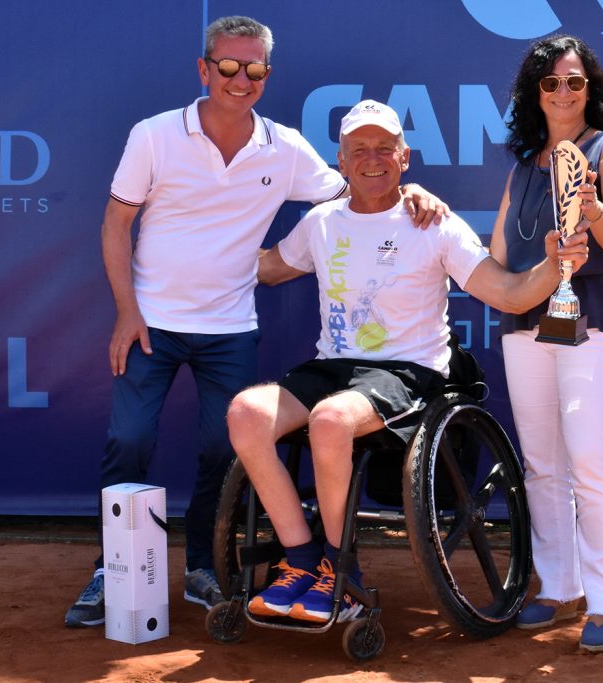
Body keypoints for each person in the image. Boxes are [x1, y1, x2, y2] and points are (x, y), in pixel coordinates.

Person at [65, 16, 447, 628]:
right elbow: (116, 226)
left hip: (230, 329)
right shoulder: (155, 136)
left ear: (267, 76)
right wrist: (127, 312)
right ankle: (110, 571)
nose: (240, 80)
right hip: (151, 324)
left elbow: (361, 184)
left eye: (254, 70)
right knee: (129, 442)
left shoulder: (286, 147)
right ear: (204, 69)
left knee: (224, 448)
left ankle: (201, 568)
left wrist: (415, 189)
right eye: (228, 67)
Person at [224, 100, 590, 625]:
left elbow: (508, 294)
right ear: (342, 162)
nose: (372, 159)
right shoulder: (320, 223)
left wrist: (555, 266)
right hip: (335, 366)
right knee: (246, 414)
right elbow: (268, 268)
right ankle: (302, 562)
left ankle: (339, 571)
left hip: (410, 373)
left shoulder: (434, 223)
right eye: (359, 150)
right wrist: (195, 242)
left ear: (404, 156)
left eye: (383, 148)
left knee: (330, 421)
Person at [488, 35, 603, 652]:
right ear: (535, 93)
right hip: (527, 325)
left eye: (575, 82)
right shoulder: (525, 161)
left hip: (593, 320)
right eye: (550, 83)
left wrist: (592, 206)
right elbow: (498, 253)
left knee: (589, 458)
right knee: (543, 465)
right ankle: (558, 587)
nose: (563, 92)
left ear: (592, 89)